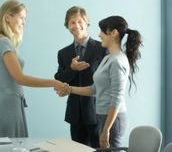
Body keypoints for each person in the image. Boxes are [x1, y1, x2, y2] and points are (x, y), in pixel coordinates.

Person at [0, 0, 66, 138]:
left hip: (5, 104)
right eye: (21, 17)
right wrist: (53, 82)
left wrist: (7, 96)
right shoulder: (4, 42)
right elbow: (20, 78)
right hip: (9, 107)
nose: (24, 22)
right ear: (8, 17)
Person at [59, 16, 142, 148]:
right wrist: (69, 89)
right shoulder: (108, 58)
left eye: (102, 31)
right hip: (102, 116)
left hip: (113, 120)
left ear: (113, 33)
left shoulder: (117, 61)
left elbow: (117, 98)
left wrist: (106, 129)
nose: (99, 35)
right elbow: (94, 89)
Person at [54, 6, 107, 148]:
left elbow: (107, 80)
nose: (76, 25)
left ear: (86, 22)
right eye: (72, 22)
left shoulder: (102, 48)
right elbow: (59, 79)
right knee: (77, 150)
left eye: (79, 21)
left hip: (97, 111)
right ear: (67, 26)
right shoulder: (64, 53)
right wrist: (72, 69)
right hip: (75, 113)